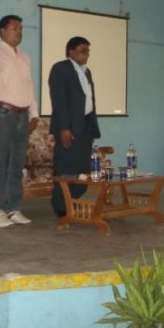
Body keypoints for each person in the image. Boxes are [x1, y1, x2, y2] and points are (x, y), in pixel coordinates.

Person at [0, 15, 38, 228]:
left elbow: (29, 87)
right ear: (3, 31)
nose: (19, 32)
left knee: (17, 165)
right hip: (3, 114)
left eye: (21, 28)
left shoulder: (24, 57)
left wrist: (34, 114)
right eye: (14, 28)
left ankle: (14, 209)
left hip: (23, 116)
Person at [48, 36, 101, 218]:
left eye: (88, 51)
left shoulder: (87, 72)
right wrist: (64, 128)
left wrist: (92, 127)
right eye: (82, 50)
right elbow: (59, 100)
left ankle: (72, 202)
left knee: (83, 169)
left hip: (85, 125)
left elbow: (89, 100)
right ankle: (61, 207)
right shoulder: (60, 68)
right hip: (68, 127)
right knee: (66, 168)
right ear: (71, 52)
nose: (86, 54)